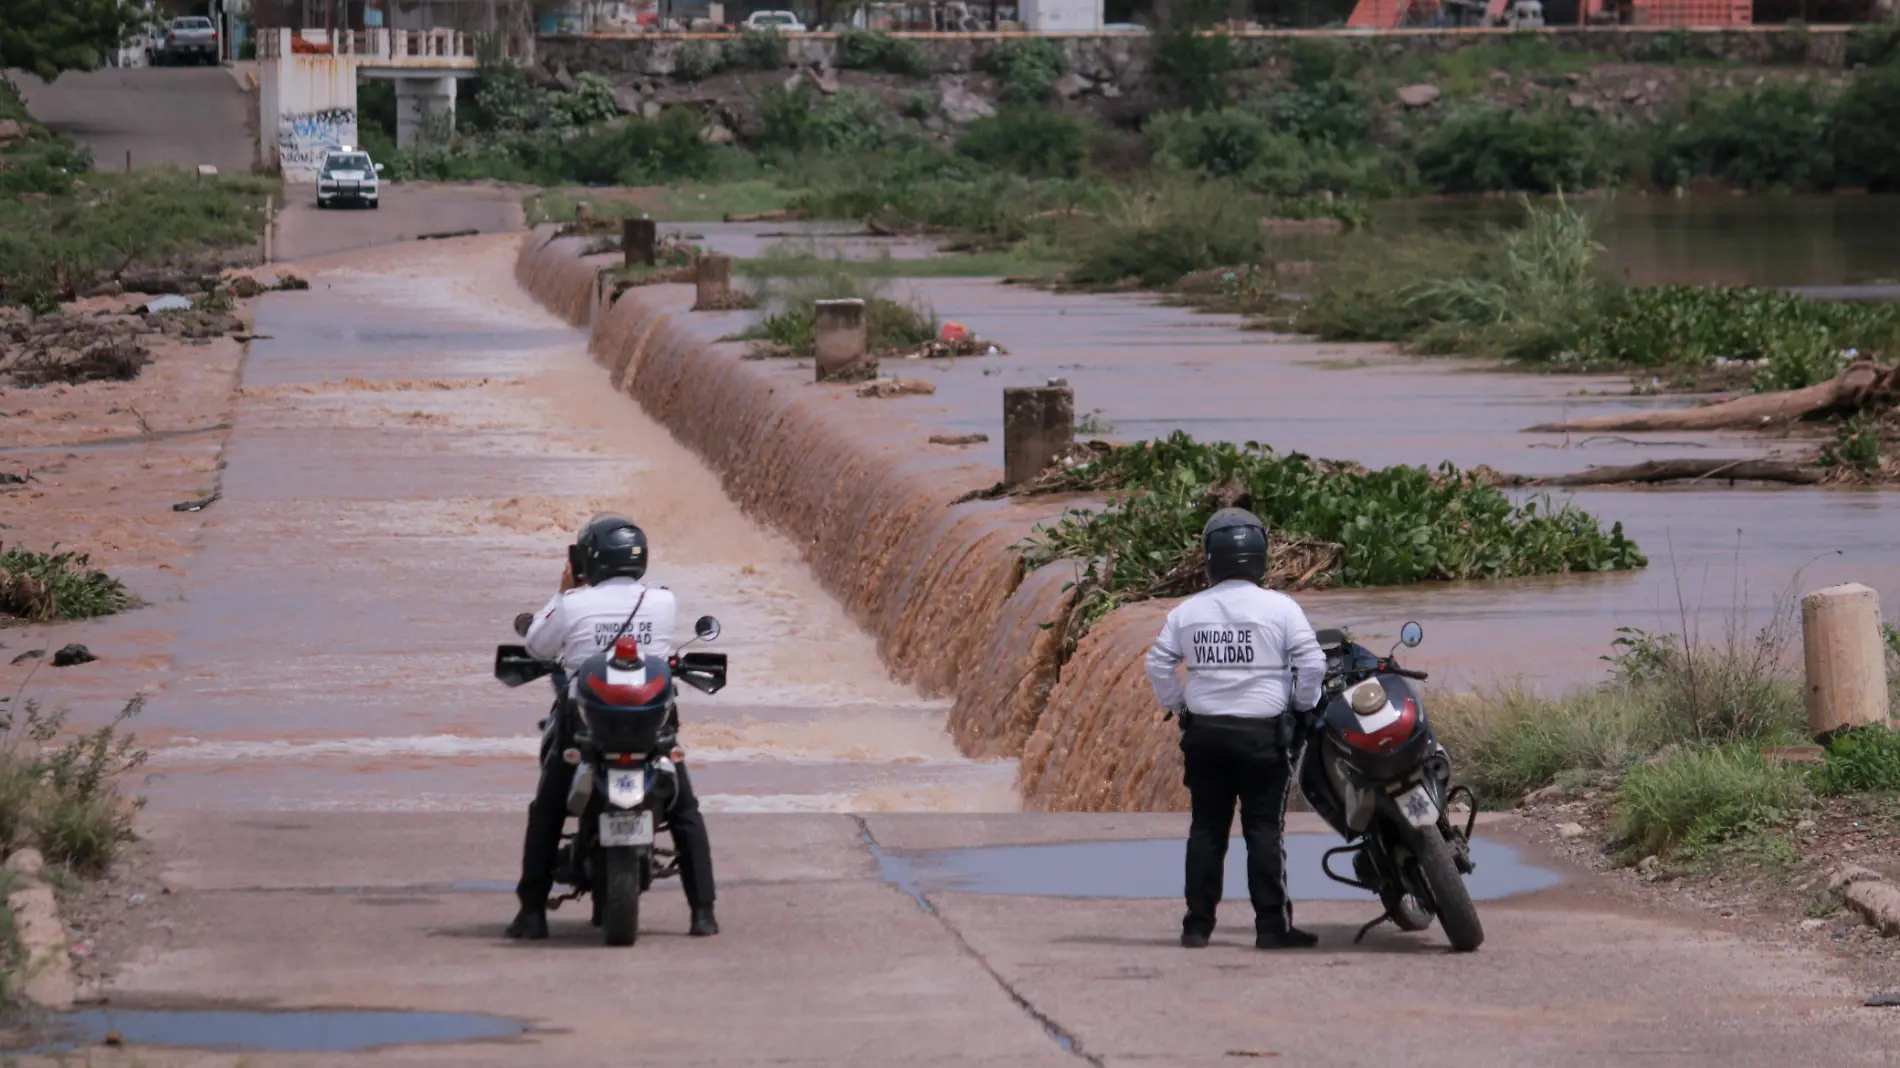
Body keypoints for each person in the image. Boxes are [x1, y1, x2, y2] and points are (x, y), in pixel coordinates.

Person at [504, 513, 719, 941]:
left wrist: (563, 589)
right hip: (651, 727)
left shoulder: (573, 604)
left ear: (591, 559)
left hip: (582, 726)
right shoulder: (663, 601)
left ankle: (532, 913)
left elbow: (536, 646)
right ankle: (703, 913)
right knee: (684, 811)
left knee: (547, 810)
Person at [1144, 508, 1326, 951]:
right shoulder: (1280, 607)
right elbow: (1313, 663)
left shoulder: (1187, 612)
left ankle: (1197, 927)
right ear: (1260, 557)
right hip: (1262, 737)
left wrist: (1181, 707)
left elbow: (1157, 664)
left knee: (1207, 830)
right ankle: (1271, 927)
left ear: (1210, 559)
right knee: (1264, 830)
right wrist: (1302, 708)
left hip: (1205, 736)